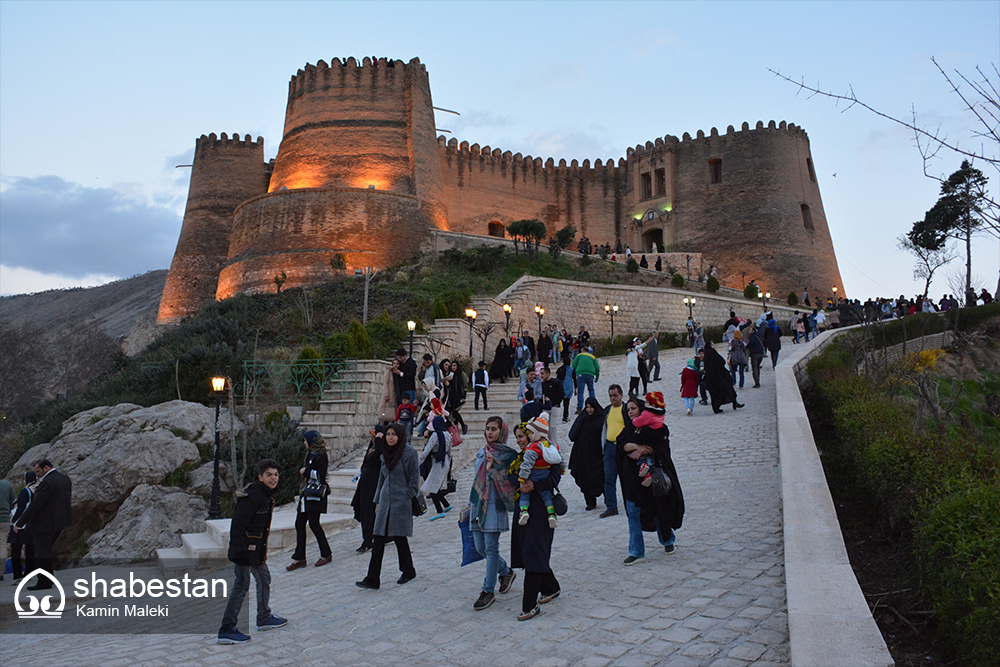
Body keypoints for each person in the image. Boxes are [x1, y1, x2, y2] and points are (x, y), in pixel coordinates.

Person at [218, 459, 286, 644]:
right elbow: (238, 524)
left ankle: (264, 617)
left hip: (256, 550)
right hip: (245, 549)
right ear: (260, 477)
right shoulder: (253, 497)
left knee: (264, 579)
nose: (273, 478)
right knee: (241, 585)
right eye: (269, 475)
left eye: (276, 475)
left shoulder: (265, 496)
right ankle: (227, 629)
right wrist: (239, 551)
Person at [616, 395, 684, 565]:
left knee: (657, 511)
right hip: (632, 480)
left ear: (642, 409)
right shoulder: (628, 429)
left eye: (634, 408)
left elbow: (660, 444)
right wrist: (637, 447)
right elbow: (621, 445)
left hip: (651, 478)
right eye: (628, 409)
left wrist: (648, 450)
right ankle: (637, 551)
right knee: (633, 513)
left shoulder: (656, 427)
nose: (630, 412)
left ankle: (667, 540)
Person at [509, 422, 563, 621]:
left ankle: (529, 605)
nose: (520, 440)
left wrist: (532, 485)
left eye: (523, 435)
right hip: (524, 510)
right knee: (530, 551)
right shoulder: (519, 459)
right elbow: (512, 477)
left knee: (533, 550)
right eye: (517, 437)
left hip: (543, 510)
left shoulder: (549, 452)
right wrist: (520, 484)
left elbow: (555, 477)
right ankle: (551, 587)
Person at [356, 422, 420, 590]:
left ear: (400, 435)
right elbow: (381, 480)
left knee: (399, 537)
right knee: (378, 539)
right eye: (388, 434)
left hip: (401, 502)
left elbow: (414, 478)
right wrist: (377, 501)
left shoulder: (409, 453)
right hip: (385, 501)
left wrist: (407, 495)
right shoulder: (385, 454)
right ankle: (372, 578)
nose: (391, 437)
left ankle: (408, 571)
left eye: (394, 434)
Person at [468, 416, 519, 611]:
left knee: (491, 548)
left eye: (494, 429)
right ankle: (505, 571)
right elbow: (475, 481)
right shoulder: (482, 452)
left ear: (502, 432)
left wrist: (491, 470)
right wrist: (468, 506)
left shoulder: (508, 456)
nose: (490, 432)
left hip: (494, 507)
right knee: (481, 549)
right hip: (478, 506)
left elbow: (507, 486)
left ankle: (487, 590)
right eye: (487, 428)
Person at [11, 459, 71, 590]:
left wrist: (19, 523)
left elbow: (36, 505)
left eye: (38, 472)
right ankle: (48, 578)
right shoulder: (64, 478)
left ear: (47, 468)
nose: (37, 475)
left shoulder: (47, 482)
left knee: (41, 553)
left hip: (44, 524)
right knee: (46, 552)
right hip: (59, 522)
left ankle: (44, 581)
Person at [287, 431, 332, 571]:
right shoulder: (310, 454)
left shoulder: (321, 455)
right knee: (299, 523)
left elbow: (320, 475)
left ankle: (326, 554)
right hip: (306, 495)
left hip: (315, 495)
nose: (304, 443)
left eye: (306, 440)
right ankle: (300, 557)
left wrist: (305, 472)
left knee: (313, 524)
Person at [517, 413, 560, 528]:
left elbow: (526, 465)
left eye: (530, 434)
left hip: (534, 476)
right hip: (545, 475)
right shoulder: (552, 446)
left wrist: (522, 480)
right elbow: (561, 460)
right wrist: (563, 469)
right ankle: (551, 514)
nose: (530, 436)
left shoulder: (532, 449)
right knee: (547, 497)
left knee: (525, 494)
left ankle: (524, 511)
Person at [351, 426, 384, 553]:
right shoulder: (372, 447)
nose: (373, 439)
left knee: (371, 512)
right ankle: (370, 538)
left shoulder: (382, 449)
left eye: (375, 436)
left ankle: (369, 540)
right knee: (365, 511)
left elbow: (382, 456)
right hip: (365, 485)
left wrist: (380, 441)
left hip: (374, 485)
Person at [568, 397, 605, 510]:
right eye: (587, 407)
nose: (589, 410)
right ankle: (590, 501)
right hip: (582, 455)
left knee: (600, 477)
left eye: (591, 407)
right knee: (584, 478)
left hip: (597, 455)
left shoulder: (601, 418)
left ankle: (609, 500)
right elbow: (572, 435)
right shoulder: (583, 417)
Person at [600, 384, 630, 518]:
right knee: (608, 478)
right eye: (611, 396)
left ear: (621, 395)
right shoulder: (607, 410)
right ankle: (611, 506)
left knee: (627, 478)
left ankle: (631, 504)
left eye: (615, 395)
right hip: (609, 448)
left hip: (623, 448)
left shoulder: (626, 410)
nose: (613, 398)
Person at [420, 416, 453, 520]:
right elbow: (450, 451)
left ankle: (439, 511)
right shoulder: (448, 435)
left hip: (438, 462)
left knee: (432, 487)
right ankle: (446, 505)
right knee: (435, 486)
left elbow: (427, 450)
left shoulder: (435, 435)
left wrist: (418, 462)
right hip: (445, 461)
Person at [7, 471, 37, 581]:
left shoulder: (25, 491)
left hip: (21, 524)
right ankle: (30, 571)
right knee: (30, 549)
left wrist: (15, 522)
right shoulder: (37, 489)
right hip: (32, 523)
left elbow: (21, 508)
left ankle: (17, 573)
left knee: (16, 550)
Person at [703, 341, 744, 413]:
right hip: (720, 375)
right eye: (712, 344)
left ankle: (716, 408)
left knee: (715, 393)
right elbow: (721, 361)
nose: (714, 345)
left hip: (710, 377)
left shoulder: (706, 354)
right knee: (728, 387)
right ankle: (734, 402)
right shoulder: (713, 352)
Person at [572, 346, 600, 412]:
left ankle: (579, 407)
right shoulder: (593, 357)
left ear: (583, 350)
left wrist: (572, 374)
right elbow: (597, 368)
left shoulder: (579, 356)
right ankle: (593, 405)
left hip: (580, 375)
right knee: (591, 390)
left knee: (580, 391)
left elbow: (573, 365)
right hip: (590, 375)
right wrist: (597, 377)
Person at [0, 475, 14, 581]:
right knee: (2, 546)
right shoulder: (7, 485)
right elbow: (12, 502)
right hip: (4, 519)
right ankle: (0, 572)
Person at [745, 323, 766, 389]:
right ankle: (758, 380)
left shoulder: (751, 336)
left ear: (753, 331)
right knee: (757, 367)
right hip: (761, 353)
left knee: (754, 368)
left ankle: (757, 383)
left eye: (750, 330)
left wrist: (747, 347)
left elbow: (752, 341)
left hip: (755, 353)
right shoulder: (758, 336)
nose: (749, 331)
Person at [556, 355, 576, 422]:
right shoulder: (572, 369)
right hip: (569, 386)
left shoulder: (560, 369)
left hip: (561, 386)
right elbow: (575, 379)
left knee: (558, 402)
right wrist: (576, 388)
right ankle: (565, 416)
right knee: (566, 403)